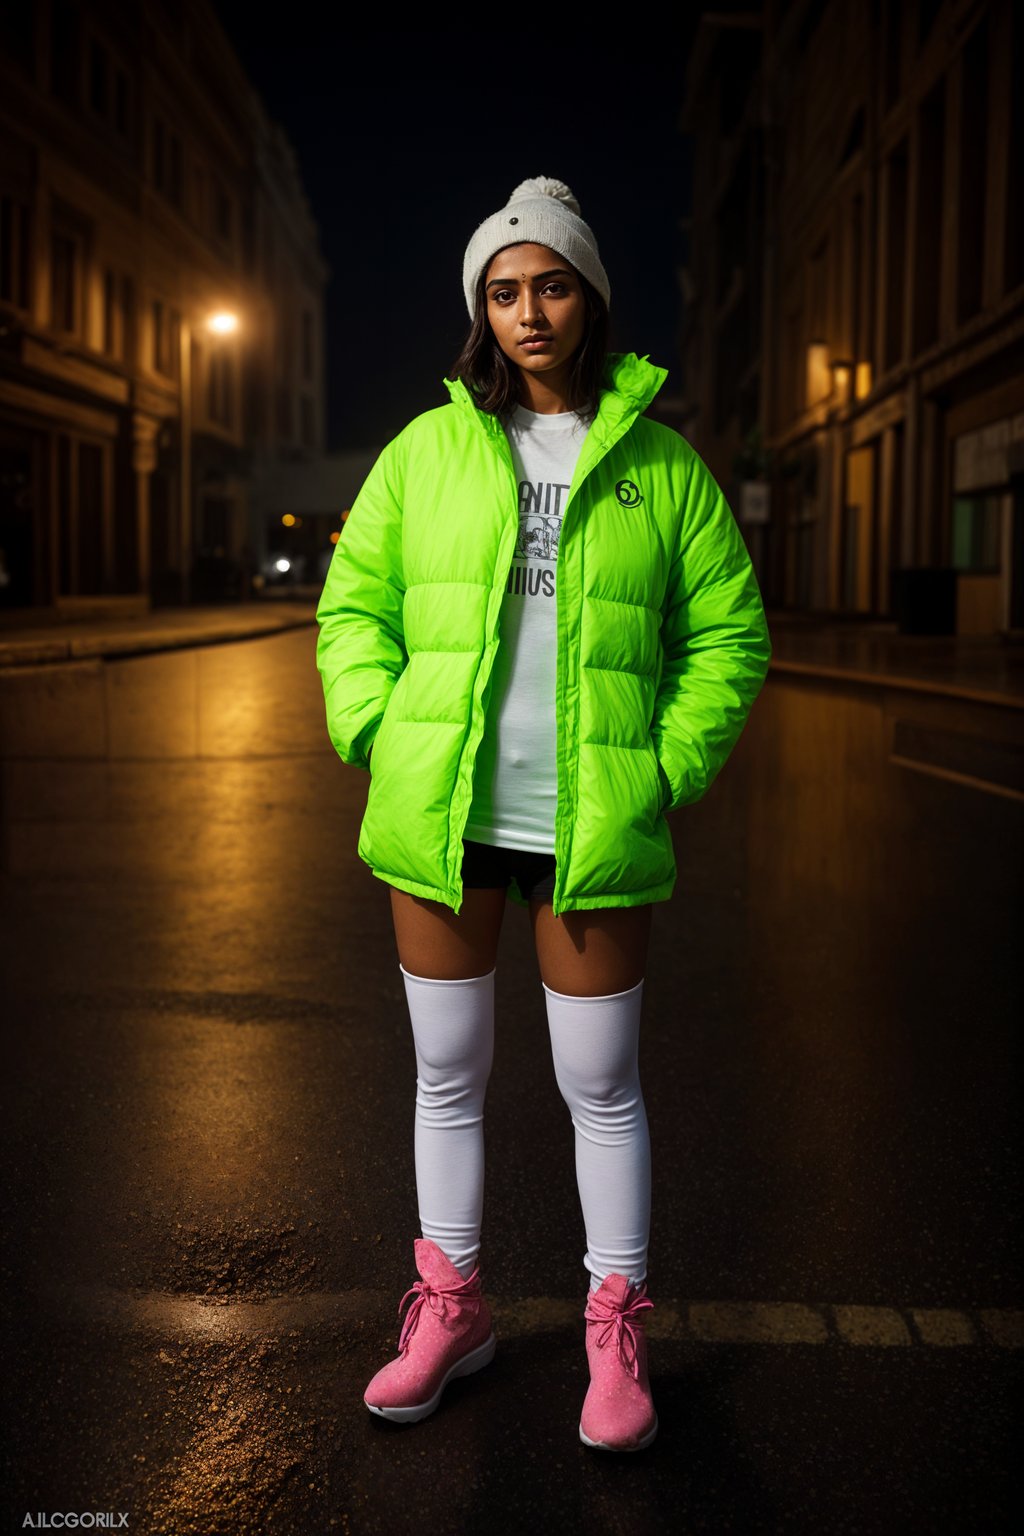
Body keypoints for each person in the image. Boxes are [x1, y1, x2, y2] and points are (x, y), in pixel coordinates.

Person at [315, 176, 772, 1452]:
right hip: (445, 811)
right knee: (447, 1078)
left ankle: (612, 1337)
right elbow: (352, 609)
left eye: (551, 285)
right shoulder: (426, 450)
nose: (528, 311)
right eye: (504, 291)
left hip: (591, 825)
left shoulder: (660, 465)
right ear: (481, 308)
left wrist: (662, 767)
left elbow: (729, 634)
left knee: (601, 1088)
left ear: (589, 299)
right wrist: (373, 729)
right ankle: (448, 1312)